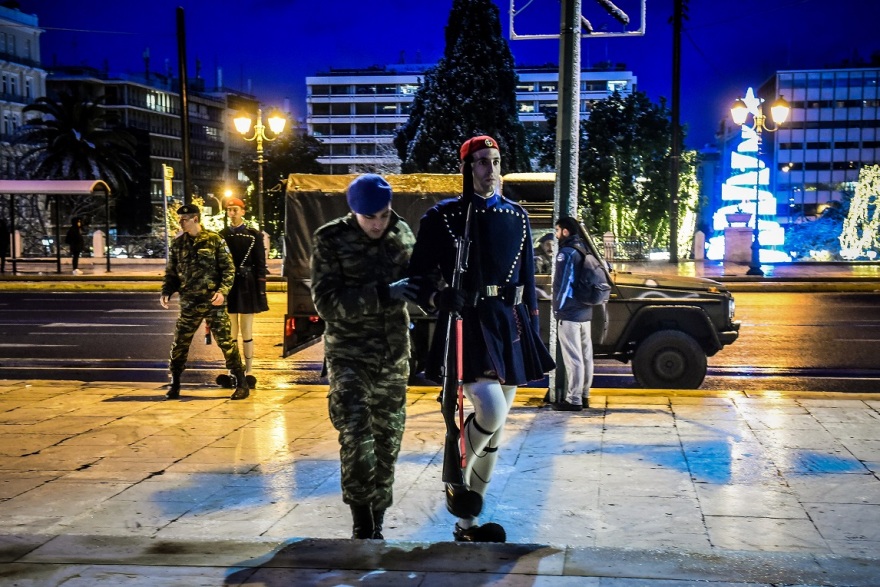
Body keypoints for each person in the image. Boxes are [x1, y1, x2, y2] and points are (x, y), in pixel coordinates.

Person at [407, 135, 555, 543]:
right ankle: (454, 478)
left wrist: (533, 331)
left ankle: (468, 525)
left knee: (499, 426)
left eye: (495, 161)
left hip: (510, 324)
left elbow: (527, 279)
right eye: (482, 162)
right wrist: (438, 295)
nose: (491, 170)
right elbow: (417, 278)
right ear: (467, 168)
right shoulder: (444, 217)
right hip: (468, 322)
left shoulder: (518, 217)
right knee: (489, 413)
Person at [310, 174, 417, 540]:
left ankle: (378, 518)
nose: (377, 223)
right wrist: (385, 294)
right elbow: (326, 304)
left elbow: (418, 281)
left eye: (383, 215)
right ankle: (361, 521)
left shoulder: (401, 233)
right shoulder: (331, 239)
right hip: (350, 356)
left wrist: (433, 293)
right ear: (354, 212)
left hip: (393, 355)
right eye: (370, 217)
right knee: (357, 437)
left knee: (388, 440)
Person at [160, 204, 250, 401]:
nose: (181, 223)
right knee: (180, 344)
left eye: (184, 220)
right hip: (189, 302)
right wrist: (166, 291)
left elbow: (228, 269)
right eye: (180, 219)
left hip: (213, 302)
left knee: (226, 342)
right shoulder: (178, 244)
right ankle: (175, 383)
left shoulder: (214, 240)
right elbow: (172, 273)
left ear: (195, 219)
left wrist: (222, 292)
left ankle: (241, 382)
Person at [217, 197, 268, 389]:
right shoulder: (221, 235)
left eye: (235, 209)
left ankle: (249, 371)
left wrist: (261, 291)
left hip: (247, 285)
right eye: (229, 210)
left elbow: (261, 265)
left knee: (246, 331)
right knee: (230, 333)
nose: (232, 213)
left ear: (243, 212)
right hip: (229, 285)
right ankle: (232, 370)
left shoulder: (254, 235)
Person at [552, 216, 596, 411]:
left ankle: (574, 399)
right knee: (586, 357)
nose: (556, 234)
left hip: (569, 313)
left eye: (557, 230)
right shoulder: (584, 249)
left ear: (565, 232)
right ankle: (585, 395)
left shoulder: (567, 253)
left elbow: (562, 286)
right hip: (585, 311)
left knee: (573, 359)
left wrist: (557, 309)